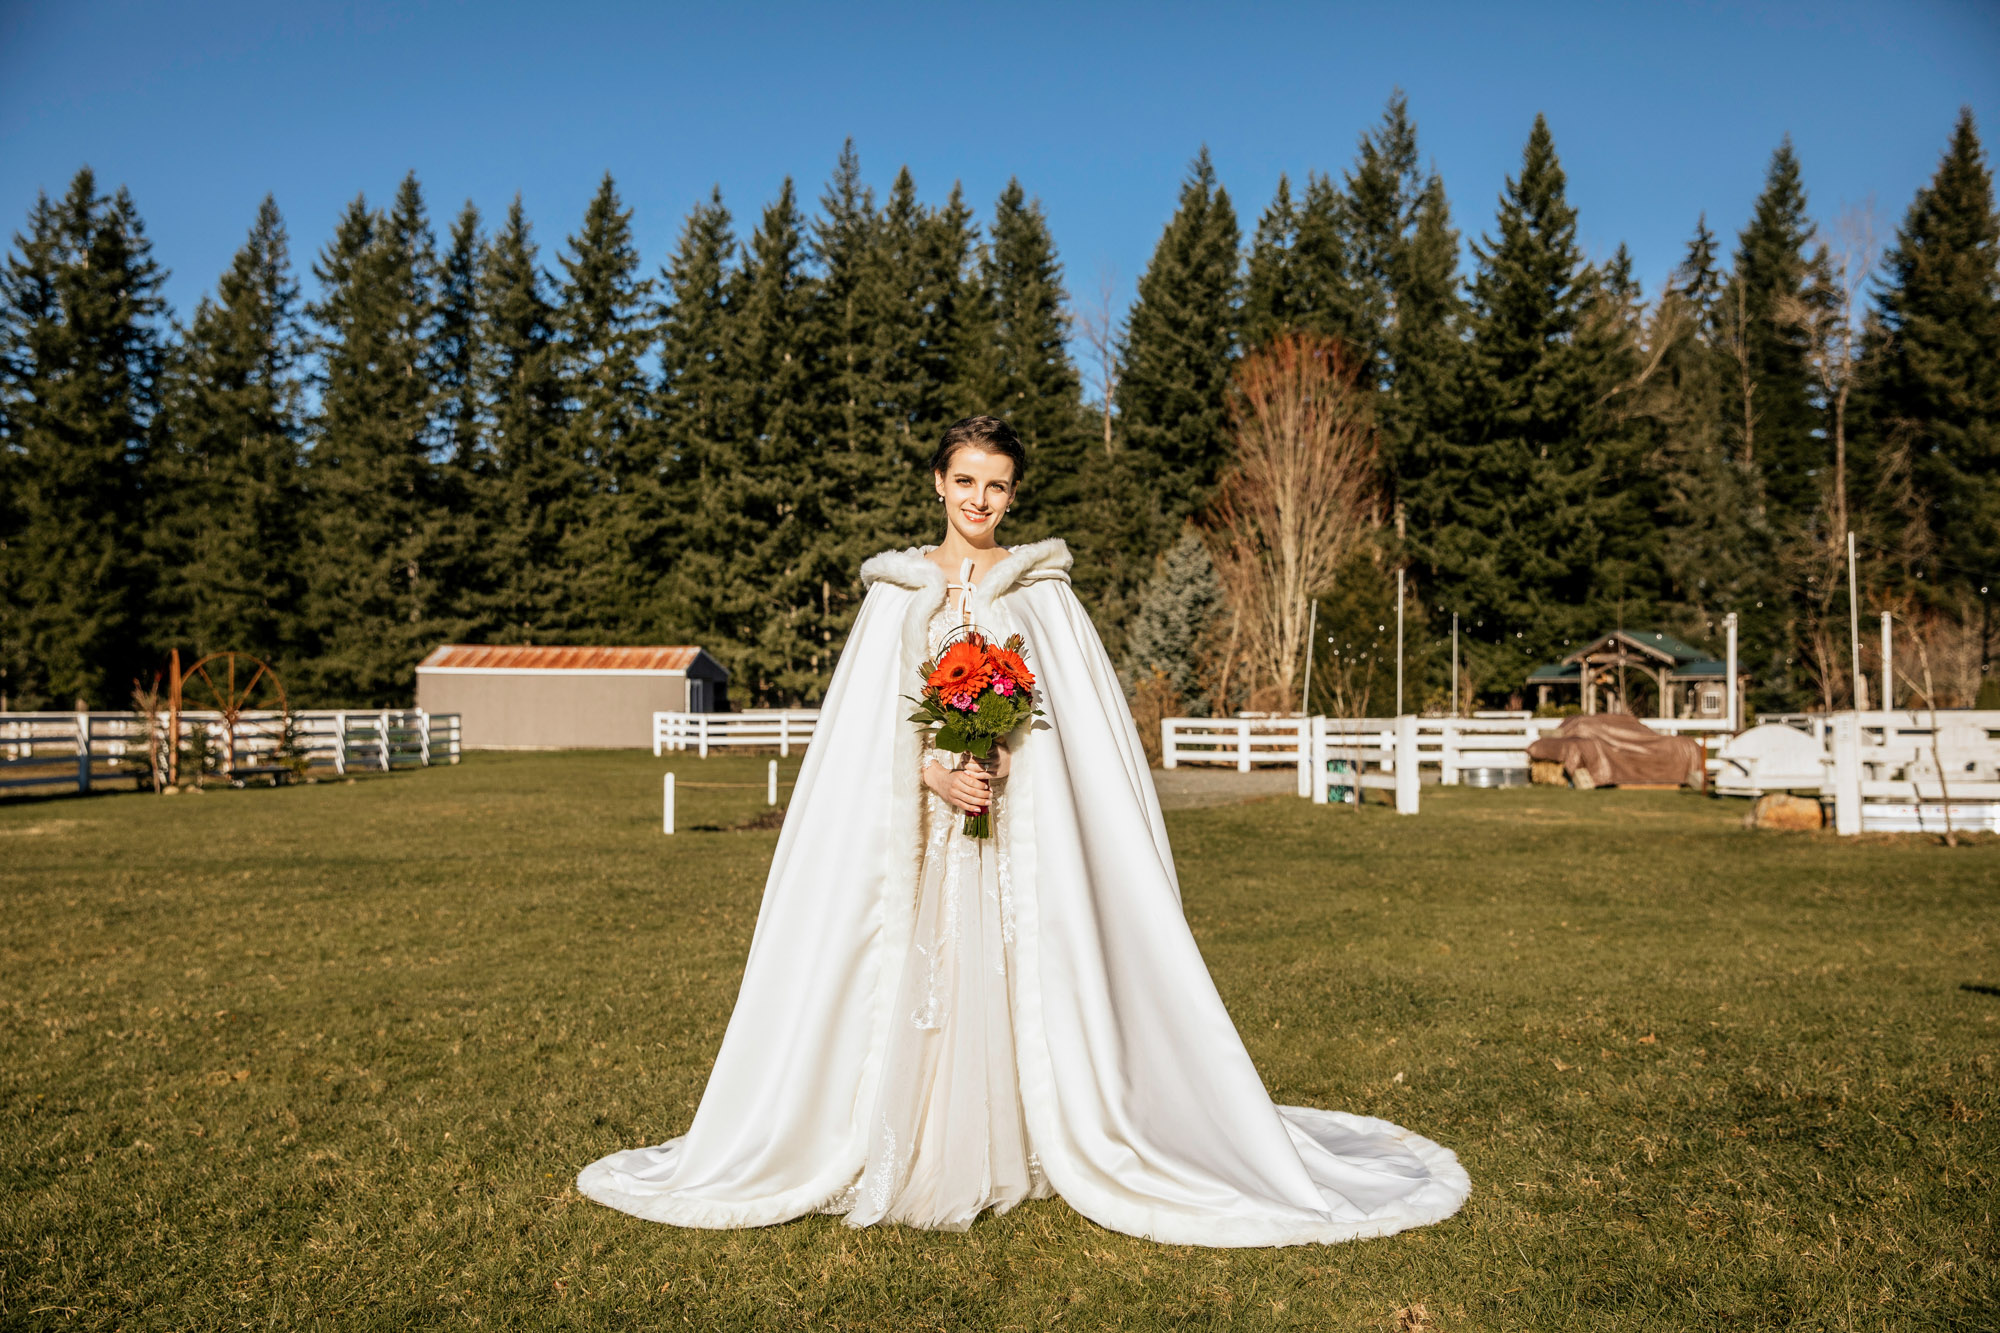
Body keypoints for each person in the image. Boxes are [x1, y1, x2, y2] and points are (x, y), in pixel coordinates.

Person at [577, 416, 1469, 1245]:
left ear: (1013, 495)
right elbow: (863, 731)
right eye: (965, 480)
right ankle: (907, 1132)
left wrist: (1006, 762)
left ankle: (1037, 1128)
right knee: (911, 969)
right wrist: (930, 768)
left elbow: (1078, 728)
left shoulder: (1040, 592)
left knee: (1012, 967)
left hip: (1011, 832)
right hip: (918, 833)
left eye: (996, 486)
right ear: (937, 482)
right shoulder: (893, 593)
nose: (979, 500)